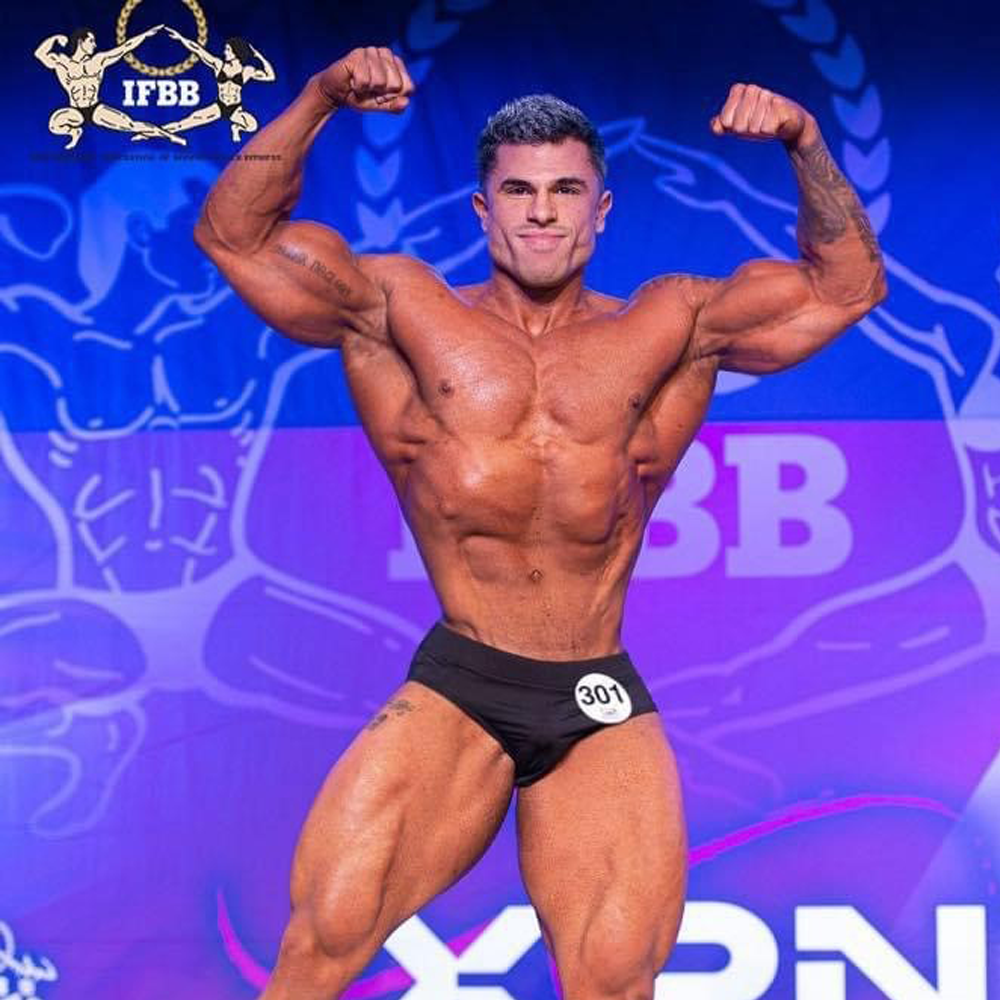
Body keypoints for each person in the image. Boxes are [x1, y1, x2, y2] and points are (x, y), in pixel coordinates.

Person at [193, 46, 885, 1000]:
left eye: (567, 191)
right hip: (463, 680)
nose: (543, 212)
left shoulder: (673, 326)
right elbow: (234, 237)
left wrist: (804, 141)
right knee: (321, 949)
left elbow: (848, 286)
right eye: (519, 191)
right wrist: (317, 97)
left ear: (601, 210)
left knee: (615, 980)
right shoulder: (399, 310)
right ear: (484, 210)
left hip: (594, 693)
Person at [34, 26, 184, 149]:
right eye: (91, 41)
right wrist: (55, 38)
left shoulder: (98, 61)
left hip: (95, 109)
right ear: (81, 42)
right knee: (54, 126)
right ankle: (74, 132)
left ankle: (170, 136)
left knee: (131, 125)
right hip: (75, 111)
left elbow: (125, 47)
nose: (94, 45)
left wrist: (146, 34)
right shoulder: (63, 63)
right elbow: (40, 54)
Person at [135, 29, 276, 143]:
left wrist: (258, 56)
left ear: (236, 52)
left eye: (228, 50)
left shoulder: (247, 71)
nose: (225, 52)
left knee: (252, 126)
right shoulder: (218, 65)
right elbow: (198, 50)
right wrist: (181, 38)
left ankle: (236, 128)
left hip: (235, 110)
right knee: (183, 124)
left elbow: (270, 76)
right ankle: (149, 133)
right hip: (219, 107)